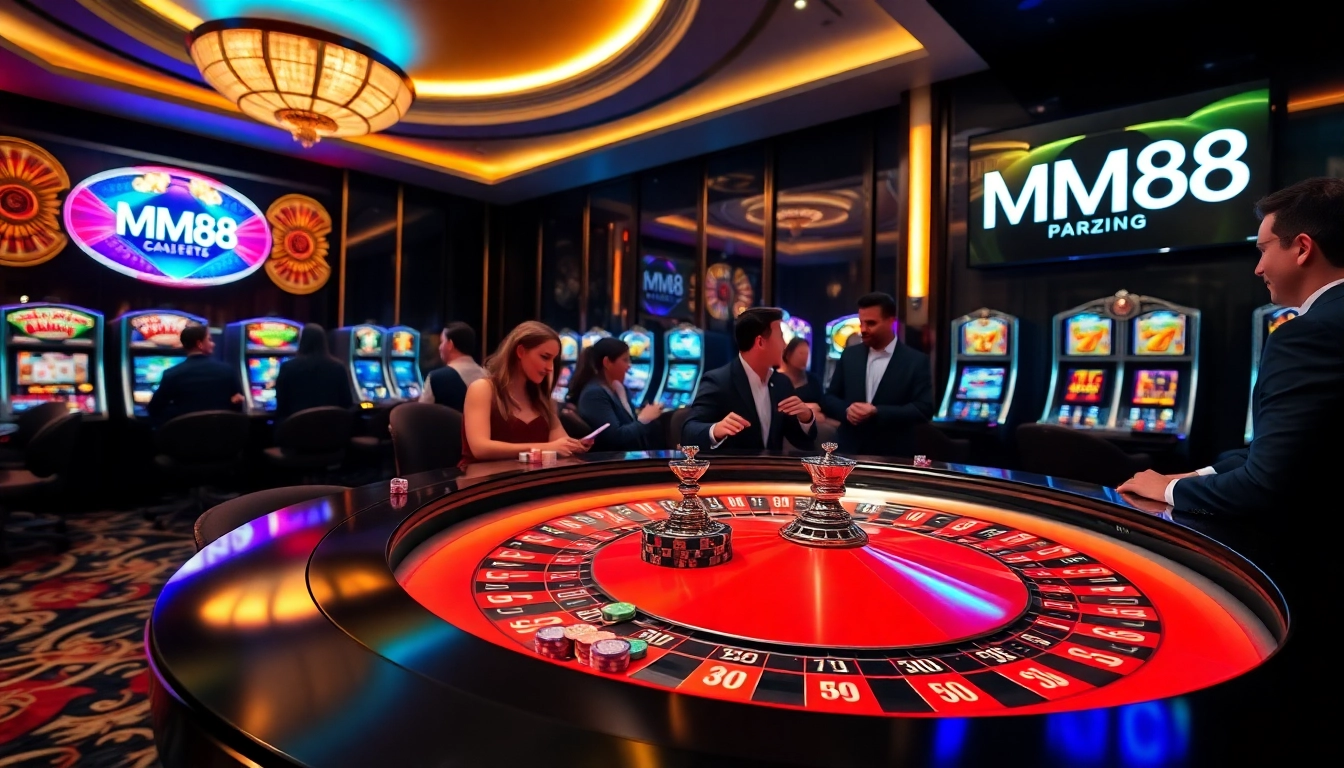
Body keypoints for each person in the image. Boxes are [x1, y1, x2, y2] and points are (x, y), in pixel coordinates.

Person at [1119, 177, 1344, 514]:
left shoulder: (1309, 334)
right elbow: (1293, 453)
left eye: (1263, 249)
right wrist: (1192, 476)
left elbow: (1264, 486)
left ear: (1301, 248)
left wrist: (1170, 491)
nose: (1258, 268)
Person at [681, 307, 817, 452]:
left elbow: (802, 443)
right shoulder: (719, 381)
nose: (784, 345)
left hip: (772, 472)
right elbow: (688, 433)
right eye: (781, 337)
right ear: (760, 342)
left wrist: (806, 418)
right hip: (735, 472)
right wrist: (715, 430)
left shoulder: (781, 383)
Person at [460, 321, 591, 465]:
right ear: (520, 352)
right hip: (484, 482)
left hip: (528, 481)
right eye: (545, 357)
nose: (550, 368)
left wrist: (575, 445)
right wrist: (543, 448)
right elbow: (480, 449)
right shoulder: (482, 388)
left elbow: (559, 444)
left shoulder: (540, 397)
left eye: (553, 360)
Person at [821, 292, 933, 457]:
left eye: (871, 323)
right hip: (849, 452)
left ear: (891, 321)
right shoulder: (850, 355)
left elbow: (923, 409)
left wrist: (877, 411)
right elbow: (829, 399)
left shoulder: (915, 361)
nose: (863, 330)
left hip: (893, 455)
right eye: (861, 323)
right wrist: (847, 410)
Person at [567, 337, 663, 451]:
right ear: (607, 362)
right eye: (625, 360)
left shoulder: (619, 389)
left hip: (631, 458)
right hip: (611, 463)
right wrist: (644, 419)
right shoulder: (594, 394)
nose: (629, 365)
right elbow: (615, 437)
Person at [147, 323, 243, 427]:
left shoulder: (171, 374)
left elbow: (153, 409)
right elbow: (238, 404)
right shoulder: (227, 371)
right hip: (220, 435)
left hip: (185, 437)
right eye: (210, 340)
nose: (214, 344)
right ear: (199, 344)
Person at [273, 323, 353, 422]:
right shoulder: (339, 367)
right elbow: (347, 404)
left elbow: (281, 404)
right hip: (331, 431)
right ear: (324, 342)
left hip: (295, 431)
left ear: (302, 341)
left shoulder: (288, 367)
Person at [420, 322, 488, 412]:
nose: (440, 347)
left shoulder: (436, 378)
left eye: (442, 342)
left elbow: (421, 412)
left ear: (450, 345)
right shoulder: (487, 375)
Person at [779, 337, 827, 424]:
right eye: (801, 353)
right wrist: (806, 409)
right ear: (788, 355)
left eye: (807, 353)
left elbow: (822, 407)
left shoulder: (813, 379)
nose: (804, 357)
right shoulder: (777, 380)